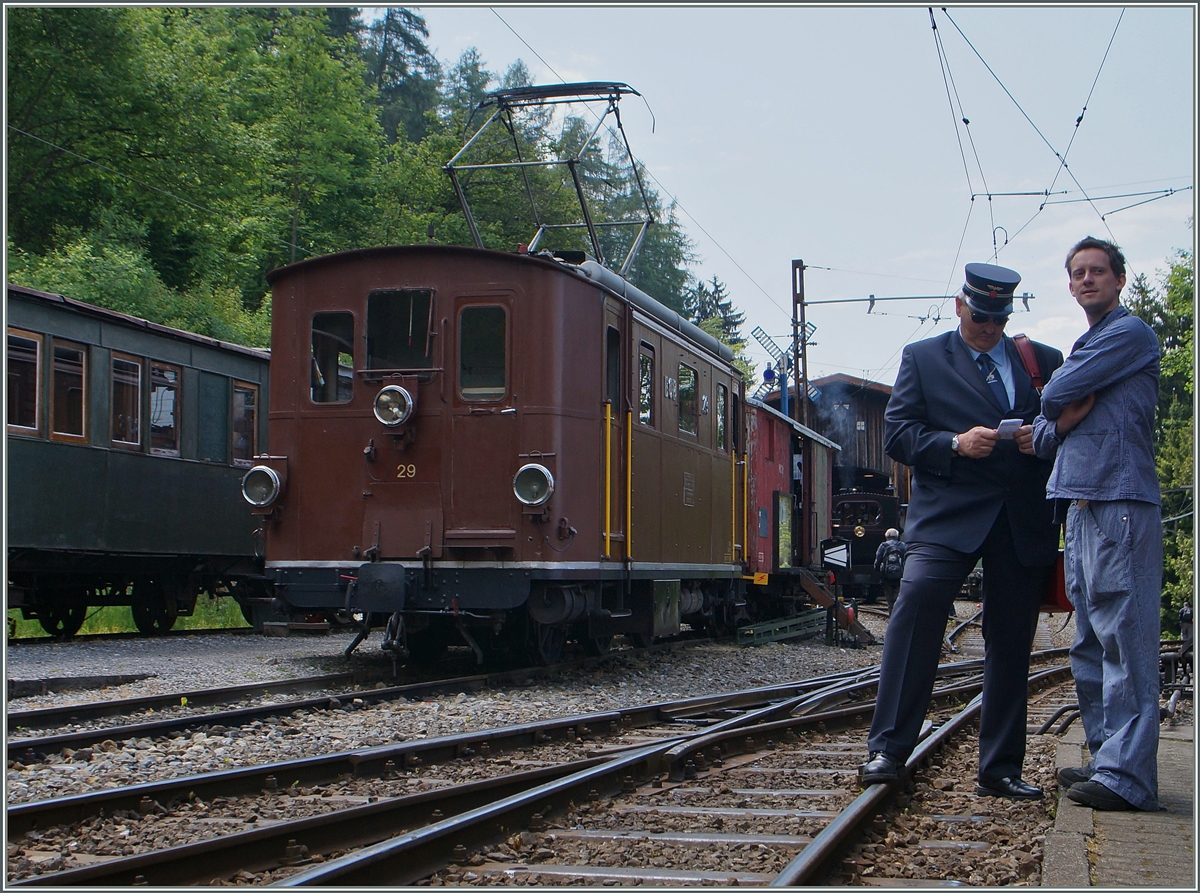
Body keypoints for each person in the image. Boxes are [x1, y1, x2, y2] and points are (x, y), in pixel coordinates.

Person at [860, 262, 1063, 800]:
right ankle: (887, 749)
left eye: (997, 318)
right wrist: (953, 443)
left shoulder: (1042, 361)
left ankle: (999, 768)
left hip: (1020, 520)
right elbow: (900, 435)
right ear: (959, 306)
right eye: (979, 317)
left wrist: (1039, 441)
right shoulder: (923, 358)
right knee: (916, 609)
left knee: (1013, 639)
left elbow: (1064, 431)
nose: (988, 327)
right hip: (947, 517)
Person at [1033, 236, 1163, 812]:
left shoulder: (1127, 334)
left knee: (1124, 637)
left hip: (1119, 502)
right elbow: (1046, 432)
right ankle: (1107, 755)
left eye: (1097, 271)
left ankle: (1129, 777)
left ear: (1118, 280)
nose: (1086, 280)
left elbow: (1055, 393)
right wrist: (1059, 415)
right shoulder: (1090, 344)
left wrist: (1059, 402)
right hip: (1083, 506)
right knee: (1089, 640)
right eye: (1077, 273)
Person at [873, 528, 907, 610]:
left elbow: (878, 560)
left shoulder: (883, 546)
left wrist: (878, 570)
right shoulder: (902, 545)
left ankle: (891, 617)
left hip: (886, 577)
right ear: (897, 536)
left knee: (889, 600)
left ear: (886, 536)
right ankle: (898, 617)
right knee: (898, 598)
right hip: (899, 576)